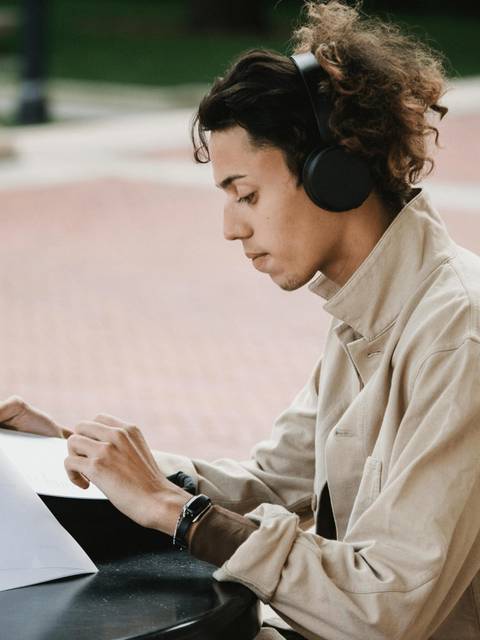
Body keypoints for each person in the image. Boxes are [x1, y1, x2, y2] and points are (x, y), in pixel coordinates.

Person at [1, 1, 479, 638]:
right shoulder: (369, 312)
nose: (232, 229)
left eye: (247, 195)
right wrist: (78, 459)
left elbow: (387, 607)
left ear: (333, 175)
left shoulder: (456, 335)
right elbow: (268, 483)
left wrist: (179, 510)